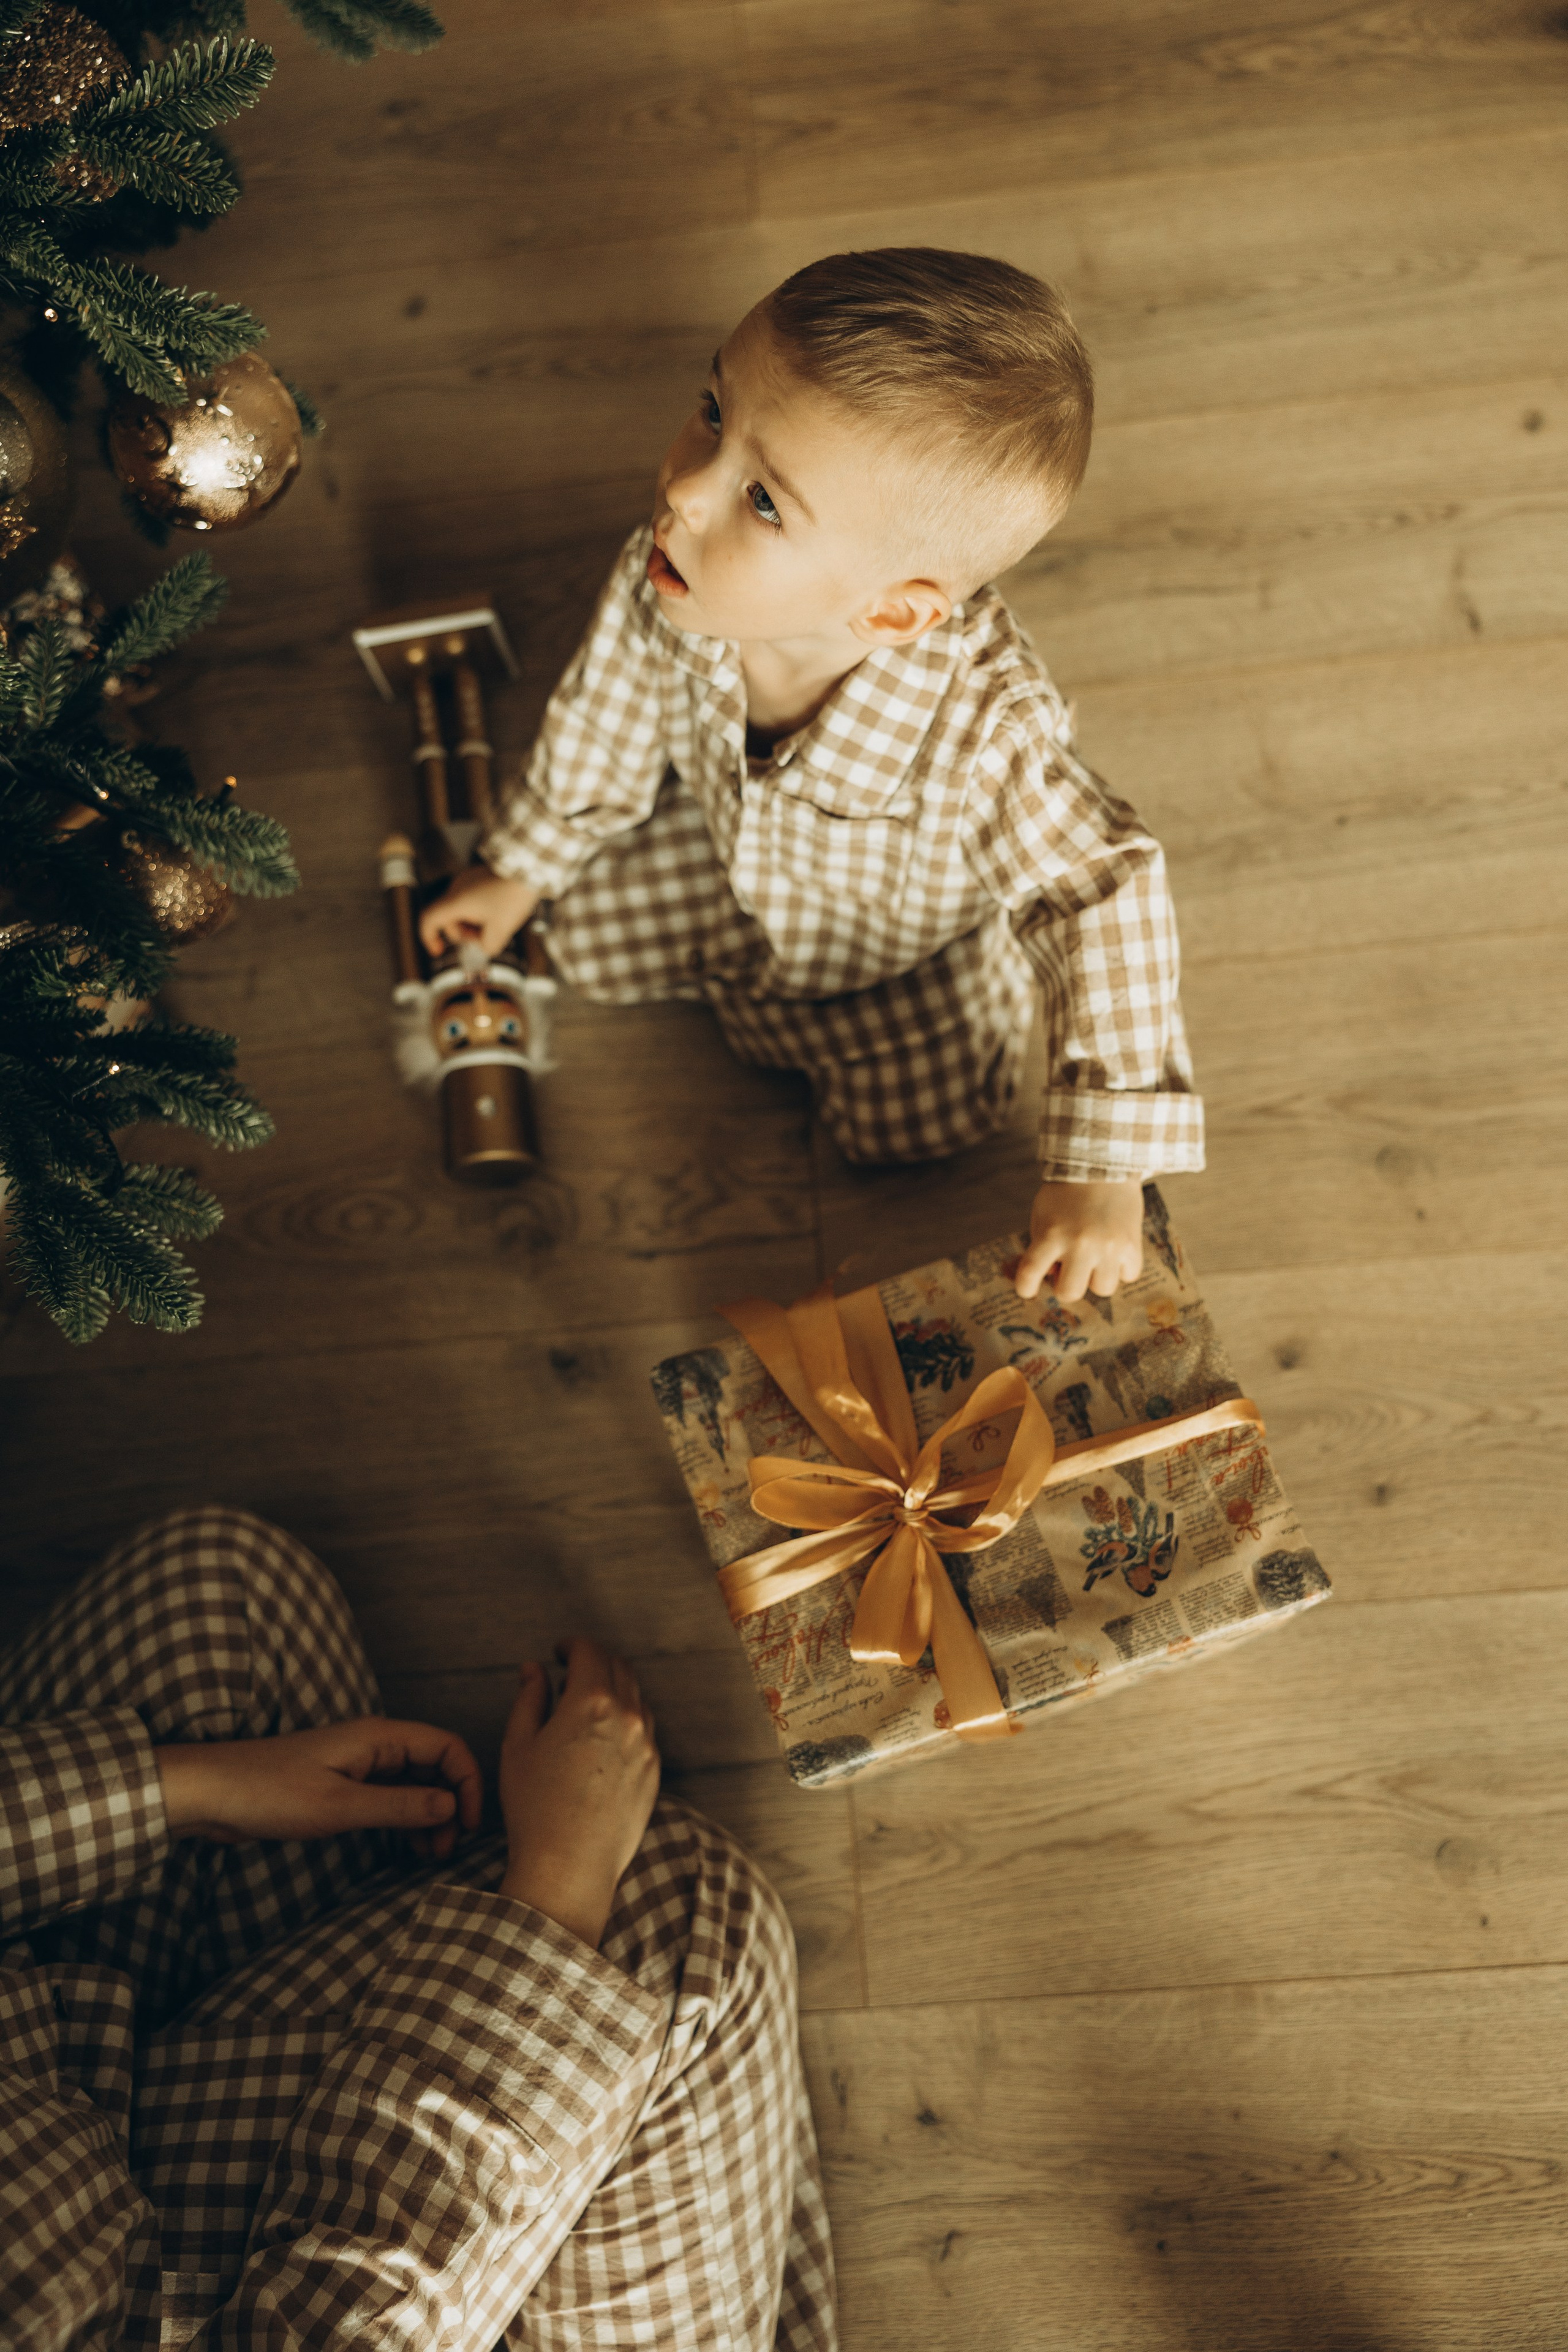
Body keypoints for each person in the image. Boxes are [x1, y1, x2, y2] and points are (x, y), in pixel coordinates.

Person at [421, 246, 1203, 1307]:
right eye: (713, 411)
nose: (685, 490)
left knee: (910, 1136)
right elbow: (605, 716)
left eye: (764, 500)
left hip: (903, 972)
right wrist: (524, 863)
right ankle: (730, 978)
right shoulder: (676, 570)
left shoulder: (988, 733)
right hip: (724, 862)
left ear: (892, 611)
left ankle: (878, 1043)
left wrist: (1102, 1170)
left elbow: (1101, 890)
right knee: (576, 938)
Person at [0, 1506, 835, 2350]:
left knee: (225, 1600)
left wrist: (187, 1790)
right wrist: (559, 1882)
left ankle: (381, 1980)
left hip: (50, 2065)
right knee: (680, 1908)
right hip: (193, 2305)